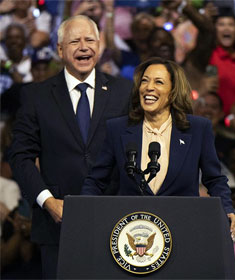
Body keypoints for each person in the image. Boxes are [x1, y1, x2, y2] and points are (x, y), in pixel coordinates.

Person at [9, 15, 132, 279]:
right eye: (75, 41)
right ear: (60, 50)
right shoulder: (36, 96)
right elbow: (20, 156)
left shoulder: (124, 92)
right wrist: (47, 201)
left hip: (116, 222)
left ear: (99, 46)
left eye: (90, 40)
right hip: (57, 225)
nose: (84, 47)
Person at [82, 57, 235, 239]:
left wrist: (227, 209)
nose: (149, 87)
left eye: (158, 82)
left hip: (183, 231)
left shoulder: (198, 129)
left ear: (173, 91)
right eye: (144, 81)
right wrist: (83, 212)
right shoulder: (118, 129)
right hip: (134, 234)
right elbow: (96, 180)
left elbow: (215, 179)